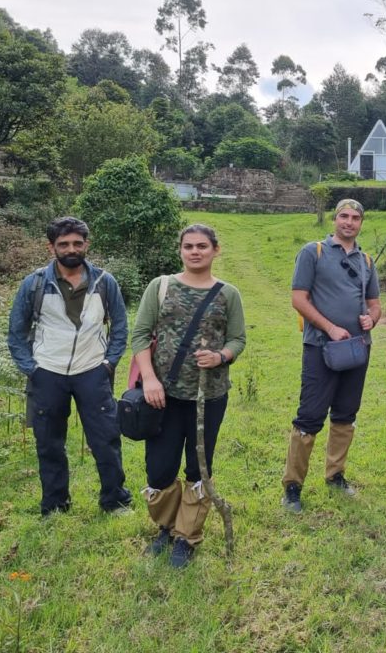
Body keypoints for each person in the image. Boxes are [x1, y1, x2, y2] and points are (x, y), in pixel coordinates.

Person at [131, 224, 246, 568]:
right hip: (162, 397)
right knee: (159, 468)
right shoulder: (161, 287)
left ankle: (187, 537)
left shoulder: (229, 294)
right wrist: (149, 379)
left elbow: (238, 339)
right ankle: (165, 528)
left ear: (215, 250)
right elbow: (139, 335)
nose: (195, 252)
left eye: (202, 246)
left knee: (199, 468)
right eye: (188, 246)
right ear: (180, 250)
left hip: (208, 397)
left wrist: (221, 357)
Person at [7, 216, 131, 517]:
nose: (71, 248)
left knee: (106, 439)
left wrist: (108, 363)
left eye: (78, 242)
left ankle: (115, 501)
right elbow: (16, 332)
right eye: (64, 244)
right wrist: (31, 368)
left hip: (92, 371)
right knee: (49, 443)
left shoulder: (104, 282)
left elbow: (120, 327)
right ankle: (54, 505)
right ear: (51, 247)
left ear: (86, 244)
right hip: (47, 373)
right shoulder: (34, 283)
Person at [281, 199, 381, 512]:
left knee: (346, 414)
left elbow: (375, 303)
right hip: (320, 348)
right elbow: (299, 299)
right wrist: (330, 327)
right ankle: (293, 487)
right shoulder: (314, 252)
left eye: (355, 218)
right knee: (309, 416)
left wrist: (372, 319)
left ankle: (335, 474)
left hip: (357, 349)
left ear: (361, 223)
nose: (349, 222)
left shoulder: (366, 260)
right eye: (344, 216)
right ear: (335, 219)